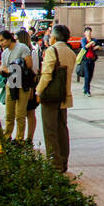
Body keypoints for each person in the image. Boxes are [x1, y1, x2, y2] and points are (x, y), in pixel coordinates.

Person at [35, 24, 77, 173]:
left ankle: (54, 164)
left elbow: (47, 74)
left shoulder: (52, 50)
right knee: (62, 129)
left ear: (55, 36)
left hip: (51, 96)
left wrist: (38, 92)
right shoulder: (71, 52)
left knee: (50, 129)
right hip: (64, 95)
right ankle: (63, 162)